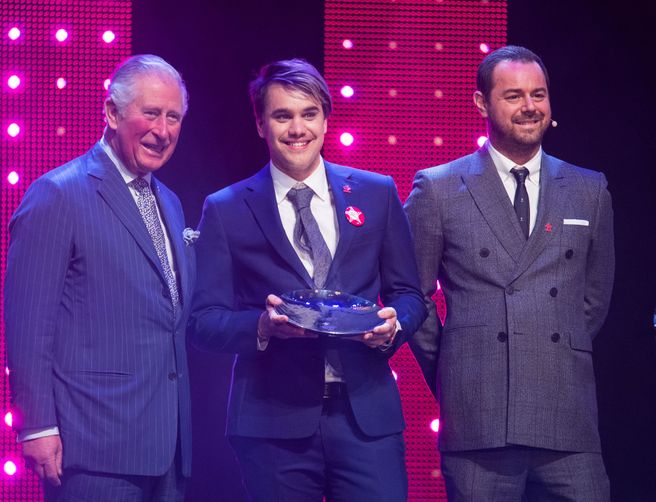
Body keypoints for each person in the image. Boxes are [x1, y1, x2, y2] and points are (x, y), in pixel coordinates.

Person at [188, 58, 427, 501]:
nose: (297, 128)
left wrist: (394, 326)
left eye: (308, 114)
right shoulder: (225, 208)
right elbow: (203, 320)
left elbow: (410, 294)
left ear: (325, 118)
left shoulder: (377, 193)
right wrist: (261, 326)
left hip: (366, 421)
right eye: (282, 116)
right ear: (261, 124)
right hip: (271, 423)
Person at [405, 45, 615, 501]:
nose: (529, 107)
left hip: (567, 409)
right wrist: (455, 370)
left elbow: (593, 298)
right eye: (514, 95)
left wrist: (550, 346)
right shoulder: (437, 187)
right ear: (481, 103)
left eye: (538, 95)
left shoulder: (588, 187)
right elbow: (411, 295)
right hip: (480, 415)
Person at [4, 54, 195, 501]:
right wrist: (37, 425)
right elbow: (29, 325)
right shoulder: (59, 194)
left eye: (173, 117)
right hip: (93, 450)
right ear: (111, 112)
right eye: (150, 113)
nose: (162, 130)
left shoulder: (169, 201)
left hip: (166, 448)